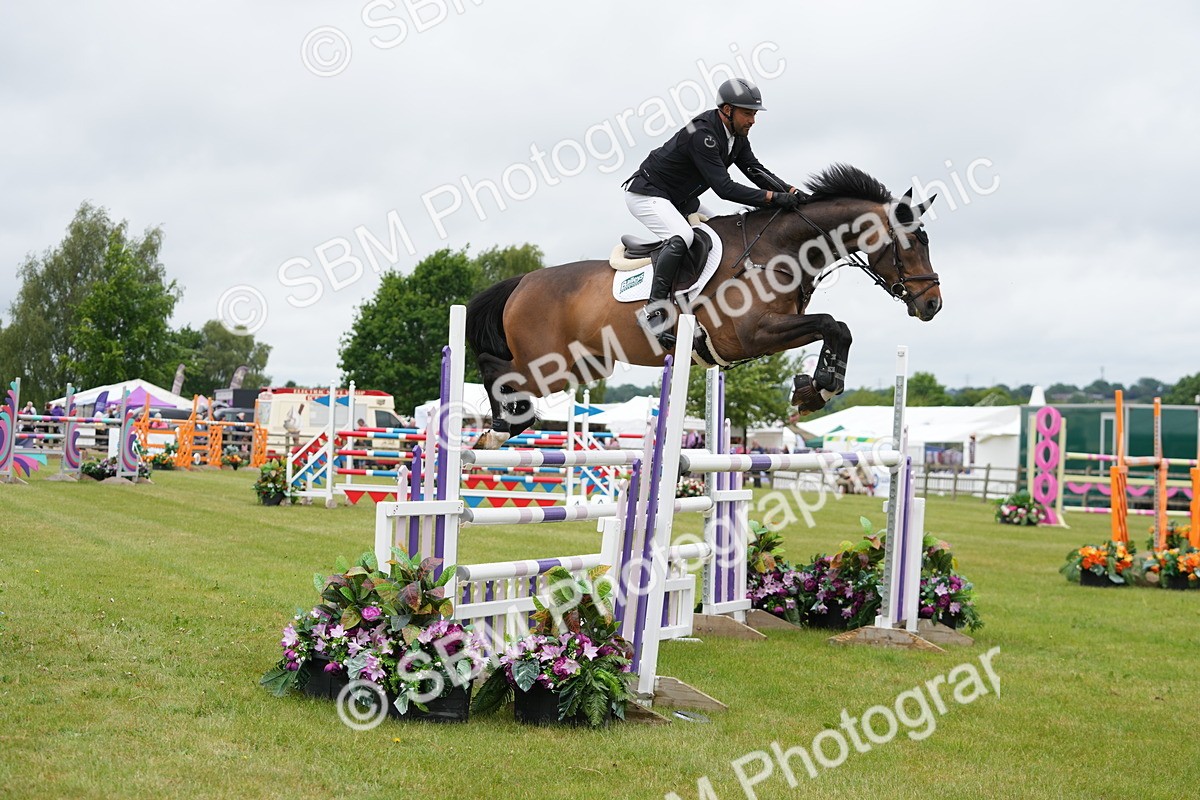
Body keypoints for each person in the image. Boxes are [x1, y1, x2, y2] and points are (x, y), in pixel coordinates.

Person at [623, 77, 808, 347]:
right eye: (748, 113)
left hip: (679, 200)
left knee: (720, 231)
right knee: (683, 237)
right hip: (646, 193)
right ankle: (654, 311)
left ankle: (695, 301)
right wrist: (773, 198)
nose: (752, 120)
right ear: (728, 110)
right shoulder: (703, 135)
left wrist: (791, 191)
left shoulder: (736, 137)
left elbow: (755, 170)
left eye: (755, 114)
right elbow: (724, 188)